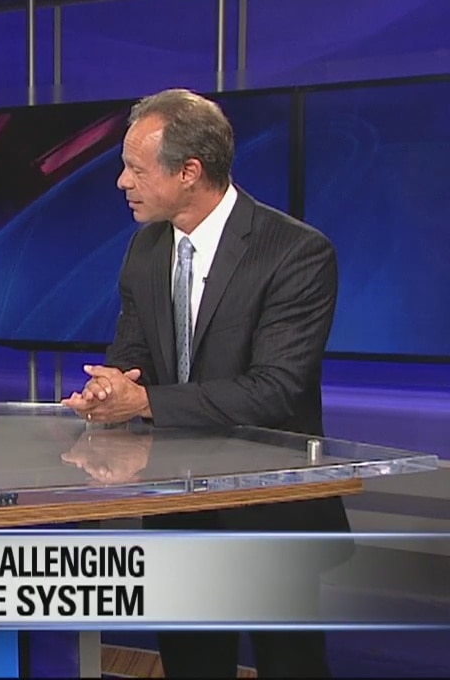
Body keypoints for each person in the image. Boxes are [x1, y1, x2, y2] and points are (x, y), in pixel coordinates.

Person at [61, 88, 347, 678]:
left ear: (189, 172)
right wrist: (110, 390)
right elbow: (133, 355)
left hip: (269, 513)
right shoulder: (146, 248)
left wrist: (147, 401)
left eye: (136, 169)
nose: (122, 181)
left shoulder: (295, 252)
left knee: (291, 667)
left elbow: (276, 388)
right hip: (178, 509)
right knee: (192, 666)